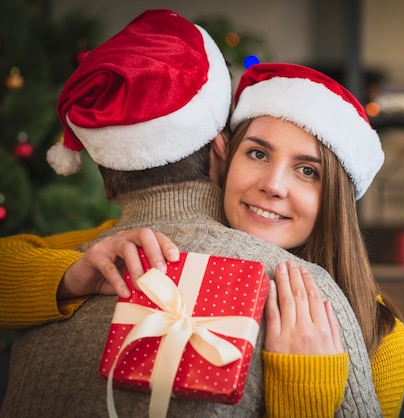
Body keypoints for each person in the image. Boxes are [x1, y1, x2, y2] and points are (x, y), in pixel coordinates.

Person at [0, 9, 382, 418]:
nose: (273, 185)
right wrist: (64, 279)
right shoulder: (95, 260)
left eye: (308, 171)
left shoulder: (371, 328)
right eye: (256, 153)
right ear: (223, 151)